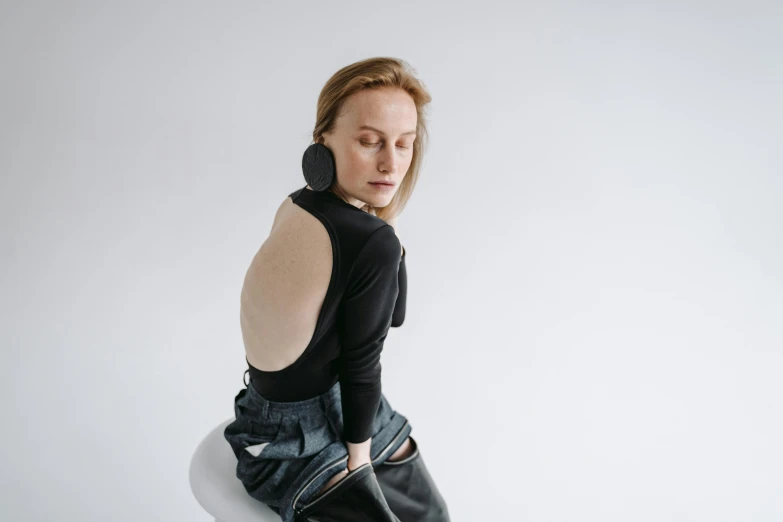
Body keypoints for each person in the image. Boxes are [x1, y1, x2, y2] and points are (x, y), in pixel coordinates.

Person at [223, 57, 450, 522]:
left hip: (303, 404)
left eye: (405, 145)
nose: (392, 163)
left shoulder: (298, 203)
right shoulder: (369, 240)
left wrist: (382, 215)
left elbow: (392, 313)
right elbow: (362, 363)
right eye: (370, 142)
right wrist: (358, 460)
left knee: (428, 512)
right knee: (431, 518)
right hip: (291, 441)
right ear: (322, 138)